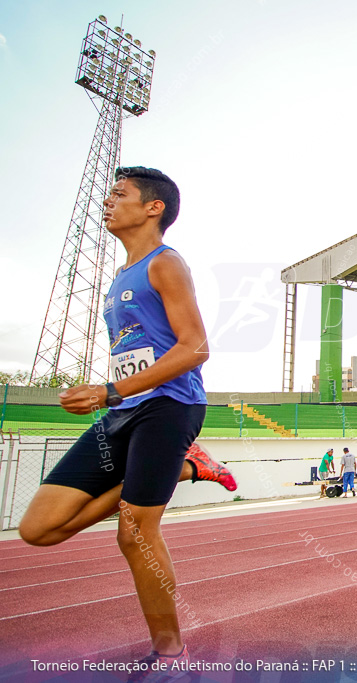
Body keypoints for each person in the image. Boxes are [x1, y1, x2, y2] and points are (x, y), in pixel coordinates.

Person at [17, 167, 236, 677]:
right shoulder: (119, 278)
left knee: (134, 534)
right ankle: (189, 469)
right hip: (121, 412)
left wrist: (108, 389)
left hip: (169, 407)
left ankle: (170, 652)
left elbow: (195, 347)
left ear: (153, 207)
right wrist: (110, 393)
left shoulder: (166, 264)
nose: (108, 202)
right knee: (39, 528)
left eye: (120, 194)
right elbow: (138, 351)